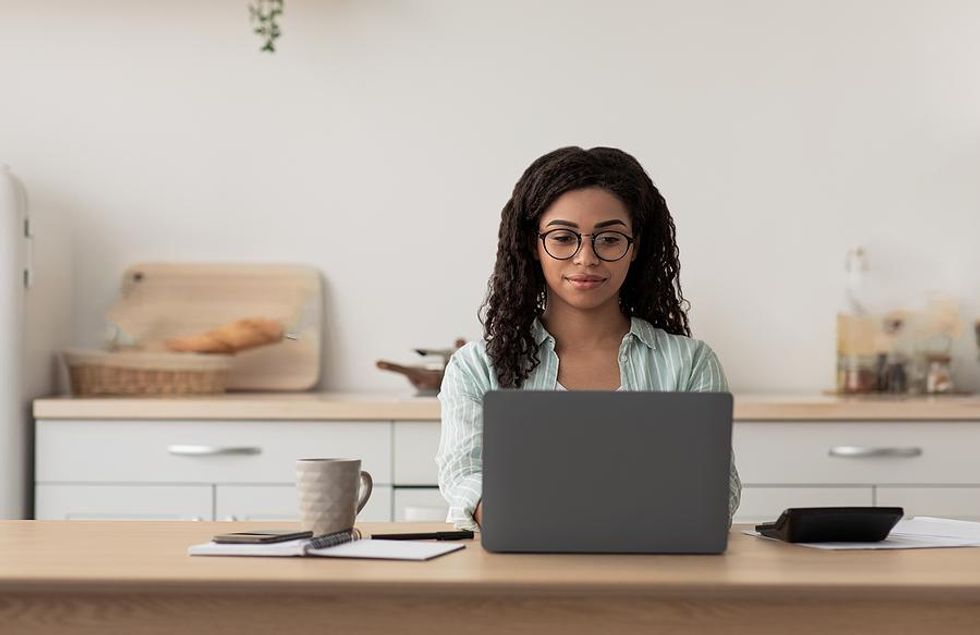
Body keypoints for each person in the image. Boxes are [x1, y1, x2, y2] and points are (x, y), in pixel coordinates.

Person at [436, 146, 741, 531]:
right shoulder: (478, 366)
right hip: (518, 575)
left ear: (636, 247)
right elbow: (465, 479)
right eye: (563, 238)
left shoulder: (691, 363)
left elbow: (716, 494)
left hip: (655, 575)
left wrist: (552, 509)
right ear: (533, 244)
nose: (586, 258)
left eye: (609, 239)